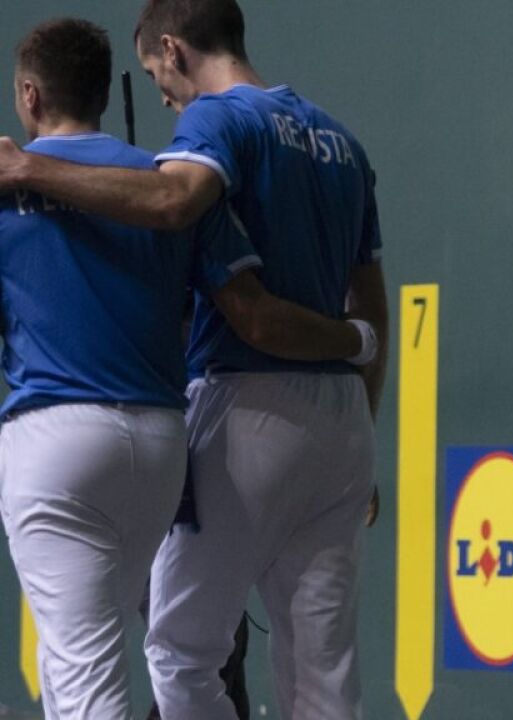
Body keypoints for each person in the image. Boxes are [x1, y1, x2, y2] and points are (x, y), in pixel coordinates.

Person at [0, 1, 388, 716]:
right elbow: (372, 305)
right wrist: (357, 366)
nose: (163, 97)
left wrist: (27, 167)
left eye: (156, 74)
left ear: (174, 51)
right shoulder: (344, 144)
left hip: (244, 405)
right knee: (324, 668)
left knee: (178, 652)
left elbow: (180, 207)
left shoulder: (211, 124)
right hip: (339, 422)